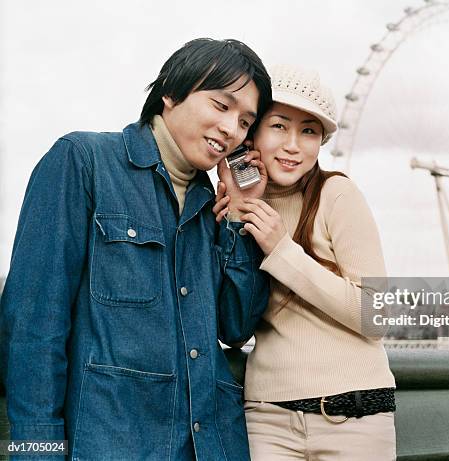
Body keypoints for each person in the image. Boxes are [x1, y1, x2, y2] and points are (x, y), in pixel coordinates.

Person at [0, 38, 271, 460]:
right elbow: (33, 325)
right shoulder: (84, 161)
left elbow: (236, 327)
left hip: (212, 446)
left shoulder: (212, 205)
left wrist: (239, 213)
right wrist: (37, 452)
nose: (231, 129)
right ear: (170, 93)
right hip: (112, 445)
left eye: (245, 122)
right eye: (221, 106)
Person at [214, 64, 397, 460]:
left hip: (355, 417)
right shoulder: (241, 209)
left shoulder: (338, 195)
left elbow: (377, 316)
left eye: (308, 131)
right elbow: (230, 327)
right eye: (279, 126)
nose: (293, 145)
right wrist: (237, 213)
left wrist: (282, 252)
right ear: (253, 132)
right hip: (267, 420)